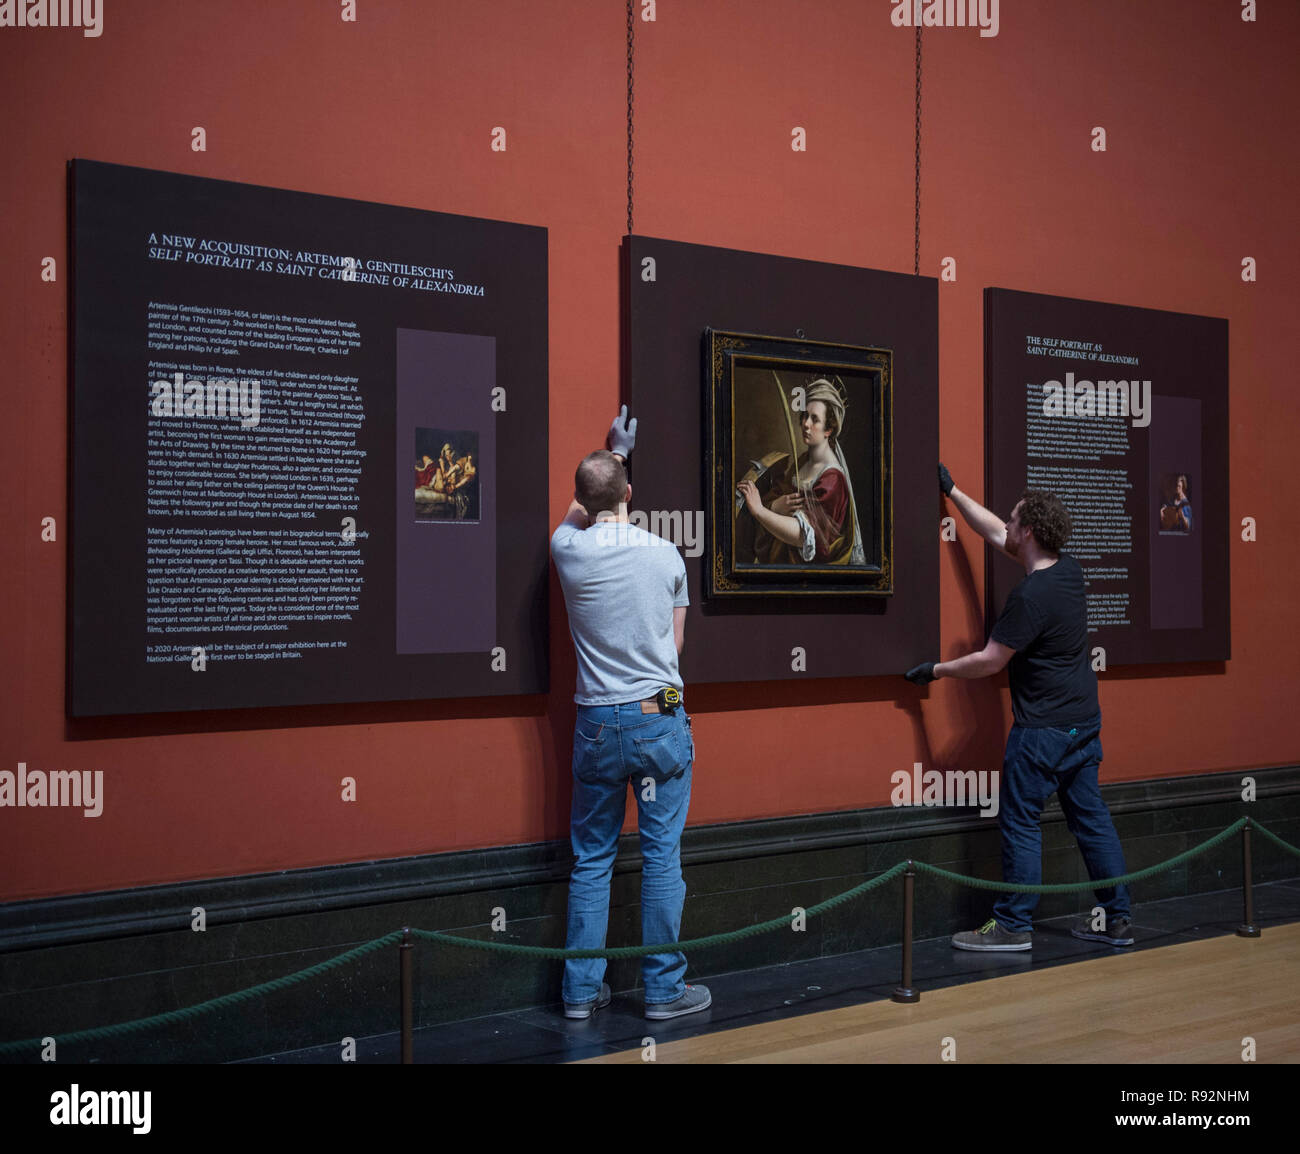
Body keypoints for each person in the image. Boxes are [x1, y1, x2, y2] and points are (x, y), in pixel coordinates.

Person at [904, 464, 1132, 951]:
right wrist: (954, 492)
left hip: (1042, 732)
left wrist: (938, 671)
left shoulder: (1029, 597)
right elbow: (992, 531)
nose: (1006, 525)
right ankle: (1118, 918)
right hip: (1082, 723)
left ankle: (1013, 926)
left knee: (1022, 822)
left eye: (1014, 520)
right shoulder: (1068, 571)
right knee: (1090, 818)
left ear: (1028, 532)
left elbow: (989, 662)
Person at [549, 406, 711, 1020]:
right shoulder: (667, 554)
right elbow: (674, 649)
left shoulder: (569, 550)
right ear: (631, 495)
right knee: (662, 855)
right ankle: (665, 992)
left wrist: (610, 456)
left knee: (592, 858)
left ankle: (580, 994)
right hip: (656, 717)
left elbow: (576, 511)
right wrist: (620, 461)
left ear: (584, 503)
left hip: (597, 722)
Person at [736, 378, 865, 566]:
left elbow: (804, 536)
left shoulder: (832, 479)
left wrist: (760, 511)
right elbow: (781, 495)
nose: (805, 423)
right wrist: (775, 507)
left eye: (815, 419)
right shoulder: (804, 460)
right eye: (805, 415)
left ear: (829, 428)